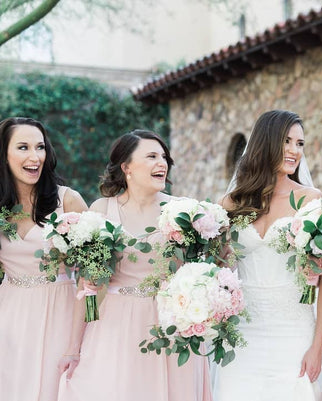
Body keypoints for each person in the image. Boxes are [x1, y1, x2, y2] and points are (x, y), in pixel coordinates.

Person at [57, 130, 212, 401]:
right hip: (115, 325)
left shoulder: (182, 211)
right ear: (126, 167)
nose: (161, 163)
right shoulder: (102, 210)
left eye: (163, 157)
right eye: (151, 156)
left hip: (169, 325)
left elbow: (201, 267)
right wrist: (73, 347)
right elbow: (86, 287)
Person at [214, 110, 322, 400]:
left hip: (293, 330)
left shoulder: (311, 199)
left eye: (300, 143)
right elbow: (218, 266)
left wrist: (317, 348)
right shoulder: (231, 203)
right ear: (266, 143)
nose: (295, 151)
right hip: (242, 330)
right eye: (288, 141)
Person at [0, 117, 88, 401]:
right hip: (9, 314)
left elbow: (93, 274)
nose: (35, 156)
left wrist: (76, 344)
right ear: (4, 155)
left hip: (60, 313)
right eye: (23, 147)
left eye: (40, 147)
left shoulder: (68, 201)